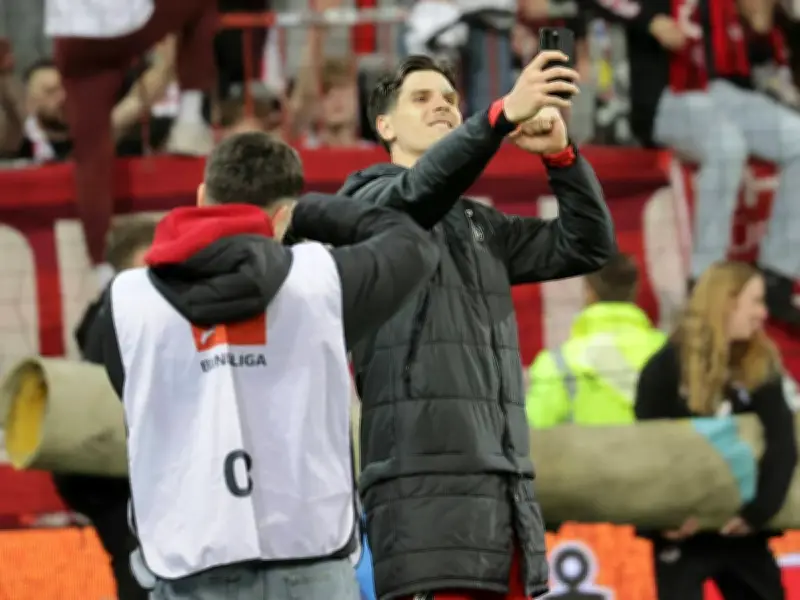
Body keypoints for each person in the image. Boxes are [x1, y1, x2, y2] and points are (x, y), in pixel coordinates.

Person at [89, 132, 440, 599]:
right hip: (311, 562)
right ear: (283, 216)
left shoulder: (126, 302)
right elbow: (412, 242)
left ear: (202, 197)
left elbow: (131, 391)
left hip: (192, 568)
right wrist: (311, 211)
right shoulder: (324, 281)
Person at [340, 53, 616, 599]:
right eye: (422, 98)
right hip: (424, 495)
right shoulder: (363, 205)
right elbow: (415, 195)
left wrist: (561, 156)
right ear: (385, 126)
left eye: (449, 98)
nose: (442, 105)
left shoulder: (479, 223)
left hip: (503, 491)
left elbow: (586, 244)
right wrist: (500, 116)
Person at [581, 0, 800, 328]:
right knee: (726, 145)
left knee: (797, 139)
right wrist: (650, 20)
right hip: (668, 95)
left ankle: (777, 277)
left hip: (725, 91)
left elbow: (757, 48)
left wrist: (759, 22)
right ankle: (704, 280)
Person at [635, 260, 798, 600]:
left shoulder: (760, 365)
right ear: (726, 302)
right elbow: (646, 454)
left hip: (742, 531)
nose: (763, 313)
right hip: (682, 533)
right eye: (756, 301)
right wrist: (663, 521)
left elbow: (782, 443)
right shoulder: (662, 370)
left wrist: (757, 515)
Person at [53, 217, 157, 600]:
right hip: (114, 471)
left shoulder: (101, 309)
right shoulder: (128, 309)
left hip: (97, 470)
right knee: (143, 571)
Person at [526, 253, 666, 427]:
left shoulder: (557, 364)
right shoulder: (670, 354)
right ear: (635, 291)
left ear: (589, 292)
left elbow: (530, 433)